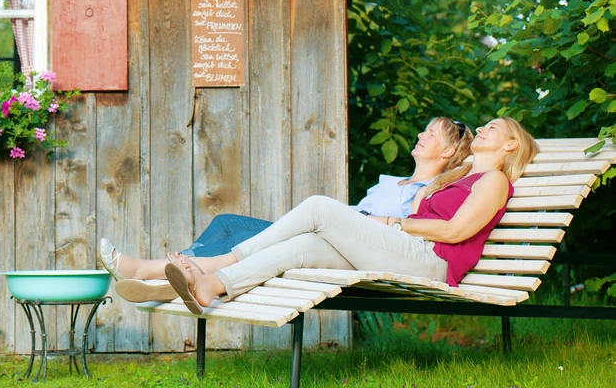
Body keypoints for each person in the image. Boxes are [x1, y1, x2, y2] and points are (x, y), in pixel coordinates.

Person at [162, 117, 538, 315]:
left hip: (432, 261)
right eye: (485, 125)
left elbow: (456, 231)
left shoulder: (495, 181)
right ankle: (214, 285)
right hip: (409, 249)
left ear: (510, 145)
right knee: (305, 245)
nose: (484, 129)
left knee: (319, 207)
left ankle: (217, 263)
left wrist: (393, 223)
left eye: (494, 128)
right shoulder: (458, 177)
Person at [101, 117, 473, 301]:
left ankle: (160, 270)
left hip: (361, 246)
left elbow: (404, 235)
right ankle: (182, 276)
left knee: (304, 212)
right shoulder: (389, 183)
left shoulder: (431, 191)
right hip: (330, 234)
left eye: (431, 134)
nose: (421, 136)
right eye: (423, 130)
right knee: (228, 221)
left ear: (446, 152)